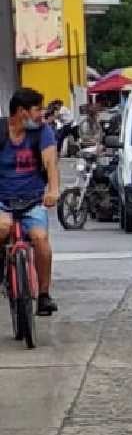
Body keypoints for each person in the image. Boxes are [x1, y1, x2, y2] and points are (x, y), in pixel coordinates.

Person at [0, 88, 60, 316]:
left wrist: (53, 190)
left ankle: (44, 295)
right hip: (2, 201)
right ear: (21, 112)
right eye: (37, 109)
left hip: (32, 201)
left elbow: (50, 162)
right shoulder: (0, 131)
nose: (41, 114)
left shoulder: (43, 132)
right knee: (3, 227)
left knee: (40, 238)